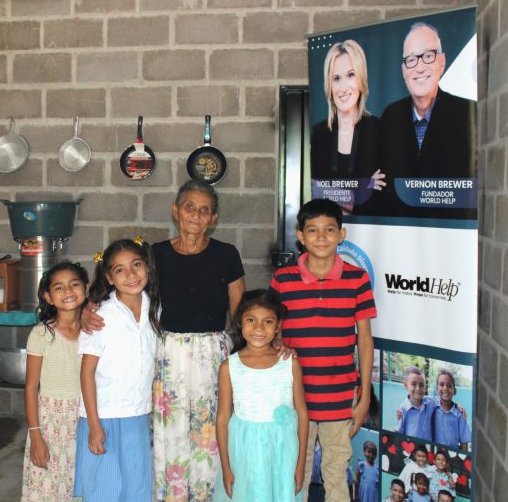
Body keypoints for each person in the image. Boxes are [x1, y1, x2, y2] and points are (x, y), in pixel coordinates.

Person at [82, 180, 246, 501]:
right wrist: (89, 308)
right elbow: (123, 285)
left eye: (204, 210)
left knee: (210, 431)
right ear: (175, 210)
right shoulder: (155, 254)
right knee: (169, 431)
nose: (196, 215)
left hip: (213, 356)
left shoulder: (227, 255)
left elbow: (240, 313)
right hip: (168, 355)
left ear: (213, 218)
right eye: (189, 207)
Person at [270, 198, 377, 502]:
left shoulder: (357, 279)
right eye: (312, 230)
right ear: (300, 237)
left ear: (341, 235)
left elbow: (365, 339)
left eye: (329, 230)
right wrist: (278, 344)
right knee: (297, 473)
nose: (321, 237)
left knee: (336, 473)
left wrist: (364, 397)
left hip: (340, 398)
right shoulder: (283, 280)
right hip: (296, 397)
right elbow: (271, 332)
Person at [73, 238, 162, 501]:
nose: (131, 274)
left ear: (147, 267)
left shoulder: (155, 309)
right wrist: (94, 424)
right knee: (104, 489)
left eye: (136, 265)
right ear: (109, 278)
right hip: (104, 415)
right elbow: (86, 373)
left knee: (137, 488)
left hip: (138, 414)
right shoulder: (100, 316)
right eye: (120, 270)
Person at [213, 289, 308, 501]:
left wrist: (301, 463)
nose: (258, 328)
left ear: (278, 326)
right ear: (240, 322)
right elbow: (222, 419)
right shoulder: (229, 367)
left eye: (268, 322)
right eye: (251, 320)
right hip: (244, 455)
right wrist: (226, 467)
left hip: (283, 454)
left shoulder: (289, 363)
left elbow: (302, 414)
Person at [379, 22, 477, 219]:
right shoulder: (390, 116)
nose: (420, 67)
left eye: (428, 56)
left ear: (442, 62)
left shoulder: (469, 114)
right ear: (403, 70)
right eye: (411, 59)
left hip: (452, 230)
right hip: (400, 229)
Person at [22, 261, 89, 501]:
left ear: (86, 289)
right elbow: (31, 387)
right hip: (50, 422)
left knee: (79, 484)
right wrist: (36, 436)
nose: (68, 291)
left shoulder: (94, 332)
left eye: (74, 284)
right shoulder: (41, 334)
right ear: (48, 297)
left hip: (84, 417)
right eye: (59, 288)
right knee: (48, 486)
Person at [310, 39, 385, 214]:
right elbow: (313, 191)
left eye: (351, 75)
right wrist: (363, 191)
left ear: (361, 78)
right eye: (336, 78)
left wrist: (327, 192)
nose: (343, 88)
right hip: (328, 230)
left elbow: (380, 198)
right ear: (329, 85)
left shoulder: (379, 129)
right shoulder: (319, 133)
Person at [395, 366, 438, 441]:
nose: (418, 388)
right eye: (413, 384)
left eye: (421, 385)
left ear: (425, 387)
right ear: (406, 385)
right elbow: (398, 433)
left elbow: (443, 400)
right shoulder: (403, 409)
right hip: (411, 446)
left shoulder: (430, 402)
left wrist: (456, 405)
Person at [432, 370, 471, 450]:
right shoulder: (432, 406)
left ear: (454, 391)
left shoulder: (460, 414)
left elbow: (464, 443)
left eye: (449, 385)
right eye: (441, 384)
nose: (445, 388)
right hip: (435, 455)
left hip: (452, 455)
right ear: (437, 388)